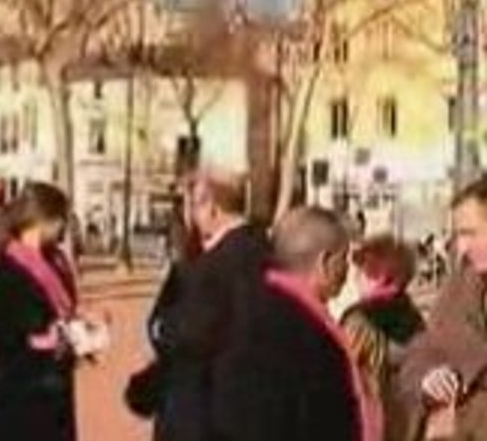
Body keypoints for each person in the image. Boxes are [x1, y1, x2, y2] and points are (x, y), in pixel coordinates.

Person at [212, 206, 376, 441]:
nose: (348, 268)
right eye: (344, 258)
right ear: (325, 261)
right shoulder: (309, 337)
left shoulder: (248, 309)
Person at [0, 182, 108, 441]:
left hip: (54, 394)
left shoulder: (57, 262)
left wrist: (84, 330)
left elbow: (64, 314)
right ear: (42, 219)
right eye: (62, 218)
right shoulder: (0, 269)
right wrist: (40, 341)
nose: (65, 227)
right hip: (13, 396)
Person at [145, 169, 270, 441]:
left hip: (204, 413)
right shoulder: (266, 252)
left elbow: (188, 334)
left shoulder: (210, 268)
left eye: (193, 205)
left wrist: (160, 328)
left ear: (211, 207)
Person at [398, 176, 487, 440]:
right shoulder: (461, 284)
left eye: (470, 233)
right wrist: (428, 379)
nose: (462, 247)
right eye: (458, 235)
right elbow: (423, 349)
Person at [340, 235, 425, 441]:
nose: (356, 277)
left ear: (383, 276)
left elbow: (341, 373)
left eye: (363, 270)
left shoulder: (359, 321)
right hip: (408, 425)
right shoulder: (413, 317)